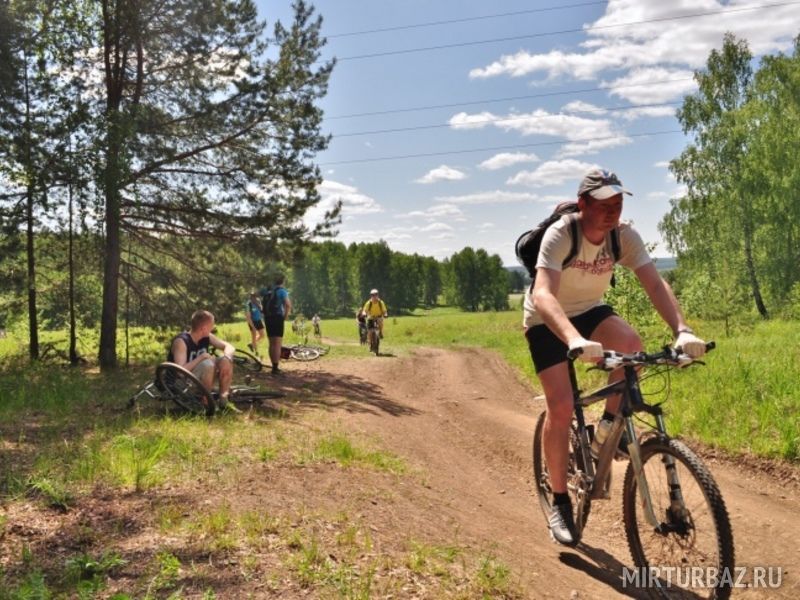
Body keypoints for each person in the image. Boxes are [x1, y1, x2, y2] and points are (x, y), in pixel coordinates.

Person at [526, 168, 707, 547]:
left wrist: (682, 330)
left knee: (630, 343)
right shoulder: (563, 234)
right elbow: (543, 294)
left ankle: (610, 429)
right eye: (603, 203)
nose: (613, 211)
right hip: (546, 318)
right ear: (583, 204)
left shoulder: (623, 236)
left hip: (589, 309)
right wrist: (573, 339)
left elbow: (654, 283)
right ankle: (560, 501)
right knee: (561, 407)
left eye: (618, 202)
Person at [167, 309, 239, 412]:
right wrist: (201, 357)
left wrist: (226, 357)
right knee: (207, 364)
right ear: (204, 328)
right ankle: (206, 403)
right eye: (212, 326)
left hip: (199, 378)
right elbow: (180, 372)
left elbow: (229, 347)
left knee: (225, 361)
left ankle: (224, 400)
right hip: (182, 382)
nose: (213, 328)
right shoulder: (181, 342)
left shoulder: (206, 336)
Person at [264, 273, 292, 375]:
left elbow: (253, 295)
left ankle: (273, 365)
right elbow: (288, 305)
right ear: (283, 281)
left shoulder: (267, 290)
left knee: (271, 343)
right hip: (277, 318)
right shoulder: (282, 291)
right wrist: (285, 317)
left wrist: (260, 308)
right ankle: (275, 368)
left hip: (267, 318)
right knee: (277, 344)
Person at [245, 292, 265, 356]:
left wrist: (262, 321)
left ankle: (251, 344)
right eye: (253, 297)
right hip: (252, 322)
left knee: (262, 335)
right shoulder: (248, 305)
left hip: (259, 321)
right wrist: (253, 326)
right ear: (250, 297)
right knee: (254, 336)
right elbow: (248, 317)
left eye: (256, 297)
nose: (255, 298)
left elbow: (261, 311)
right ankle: (256, 352)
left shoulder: (258, 302)